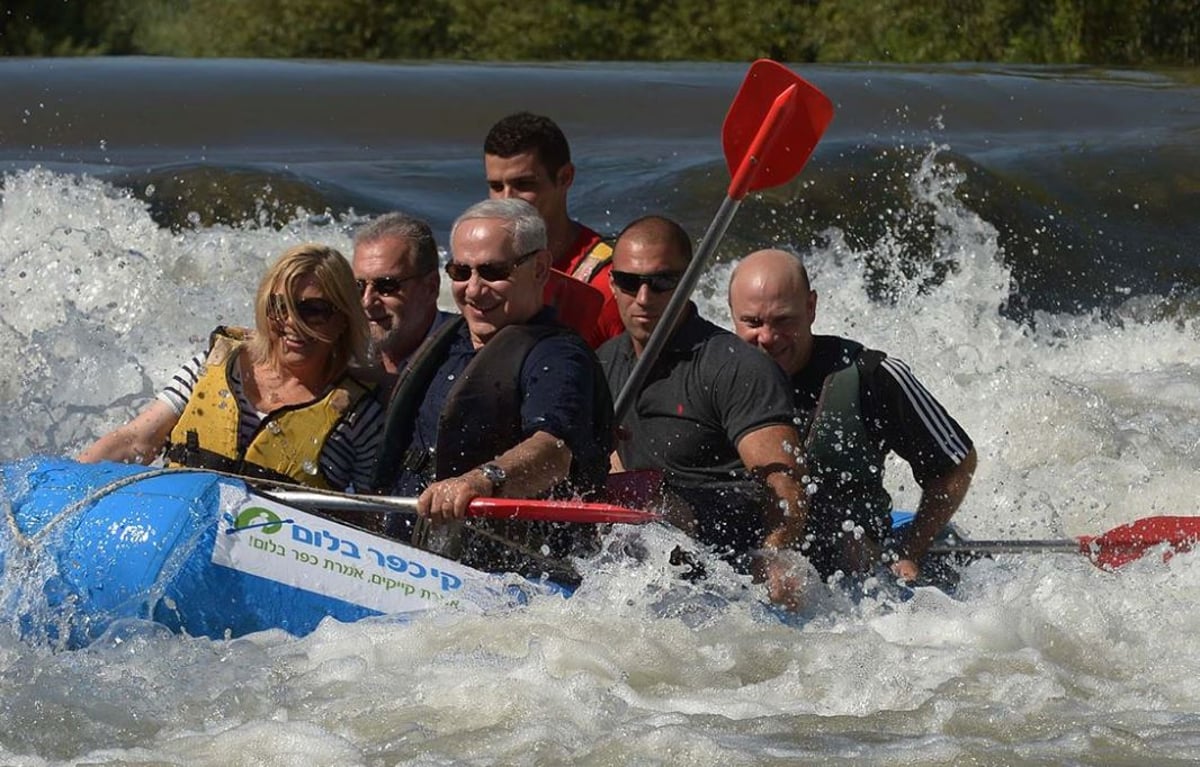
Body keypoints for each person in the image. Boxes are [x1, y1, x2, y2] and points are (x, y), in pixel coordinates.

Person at [372, 198, 614, 582]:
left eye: (493, 271)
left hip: (512, 578)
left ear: (538, 268)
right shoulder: (444, 340)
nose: (473, 289)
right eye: (460, 271)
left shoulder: (560, 357)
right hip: (406, 557)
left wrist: (477, 482)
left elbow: (553, 451)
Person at [727, 248, 978, 584]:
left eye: (783, 320)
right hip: (759, 561)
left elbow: (954, 463)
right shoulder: (714, 377)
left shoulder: (870, 375)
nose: (768, 338)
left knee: (852, 546)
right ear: (732, 316)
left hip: (852, 569)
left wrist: (911, 551)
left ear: (811, 307)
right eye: (753, 322)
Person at [596, 215, 809, 608]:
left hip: (729, 538)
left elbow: (784, 482)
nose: (643, 298)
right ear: (612, 283)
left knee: (656, 505)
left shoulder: (735, 367)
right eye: (629, 282)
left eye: (660, 283)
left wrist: (775, 554)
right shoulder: (602, 364)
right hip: (647, 538)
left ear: (689, 282)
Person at [80, 243, 384, 493]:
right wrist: (69, 482)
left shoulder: (361, 418)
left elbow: (369, 518)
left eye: (313, 311)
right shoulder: (208, 368)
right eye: (280, 307)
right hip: (175, 527)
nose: (293, 324)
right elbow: (135, 442)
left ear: (344, 317)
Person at [484, 111, 623, 347]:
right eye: (496, 187)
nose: (506, 200)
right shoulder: (476, 275)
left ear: (565, 177)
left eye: (524, 184)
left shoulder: (607, 287)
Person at [352, 211, 453, 380]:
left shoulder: (467, 361)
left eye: (386, 286)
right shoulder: (345, 356)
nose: (367, 301)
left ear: (430, 288)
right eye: (358, 286)